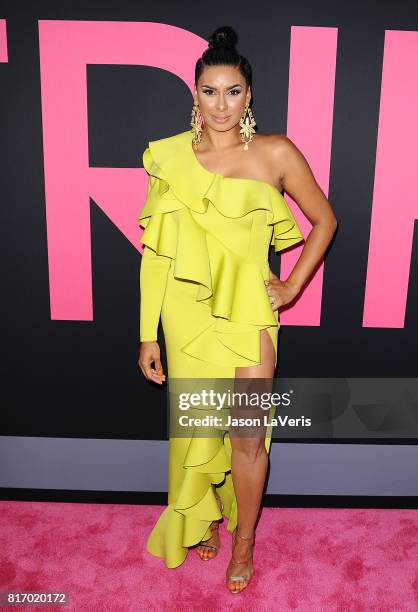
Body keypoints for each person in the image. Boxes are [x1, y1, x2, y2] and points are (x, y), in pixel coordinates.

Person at [137, 25, 337, 594]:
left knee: (248, 437)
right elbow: (154, 255)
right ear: (193, 95)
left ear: (249, 95)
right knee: (197, 428)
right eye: (209, 91)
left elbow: (325, 219)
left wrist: (293, 285)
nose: (221, 104)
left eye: (232, 92)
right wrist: (147, 333)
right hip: (185, 313)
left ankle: (244, 538)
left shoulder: (273, 152)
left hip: (249, 313)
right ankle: (202, 517)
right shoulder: (171, 159)